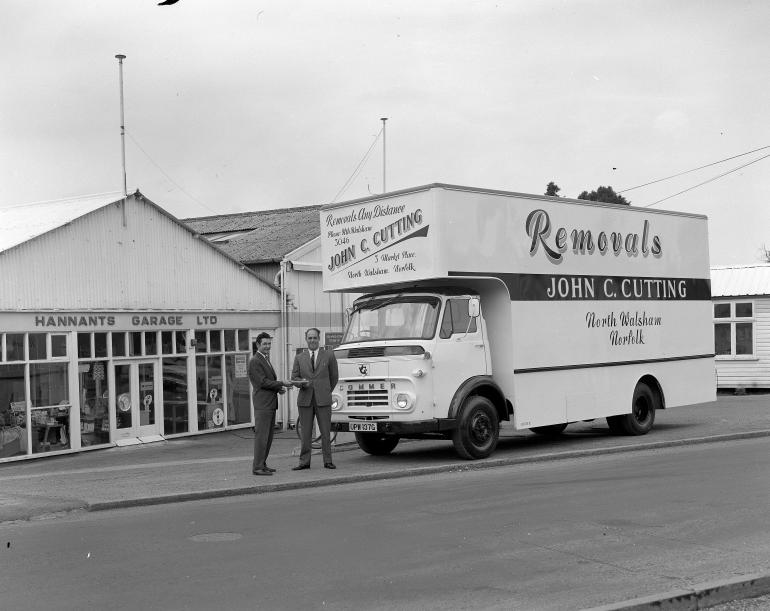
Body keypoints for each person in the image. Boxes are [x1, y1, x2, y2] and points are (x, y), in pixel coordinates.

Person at [291, 328, 339, 470]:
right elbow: (294, 378)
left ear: (319, 339)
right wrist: (302, 383)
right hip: (305, 399)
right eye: (310, 338)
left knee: (325, 431)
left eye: (315, 338)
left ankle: (328, 461)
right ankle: (304, 462)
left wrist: (325, 390)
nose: (312, 340)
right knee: (305, 433)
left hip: (323, 399)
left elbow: (334, 377)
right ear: (306, 340)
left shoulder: (329, 355)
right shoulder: (300, 357)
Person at [249, 332, 290, 476]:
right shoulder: (255, 360)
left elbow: (266, 381)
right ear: (258, 345)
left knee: (268, 437)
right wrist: (281, 383)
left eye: (269, 344)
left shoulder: (265, 359)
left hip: (270, 404)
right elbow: (262, 382)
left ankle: (262, 464)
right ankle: (257, 467)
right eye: (265, 344)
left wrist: (279, 389)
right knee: (262, 437)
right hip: (263, 405)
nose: (268, 346)